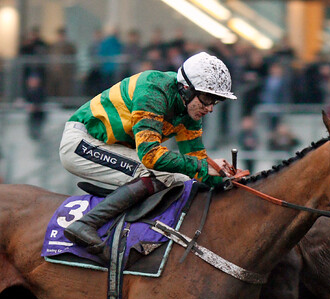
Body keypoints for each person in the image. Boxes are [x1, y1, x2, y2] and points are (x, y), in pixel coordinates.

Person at [60, 51, 244, 259]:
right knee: (159, 174)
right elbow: (150, 156)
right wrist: (202, 167)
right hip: (82, 143)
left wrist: (228, 181)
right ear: (186, 88)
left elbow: (197, 164)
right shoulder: (154, 89)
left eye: (216, 102)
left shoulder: (190, 112)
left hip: (114, 149)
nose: (210, 108)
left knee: (182, 179)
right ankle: (86, 224)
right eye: (207, 99)